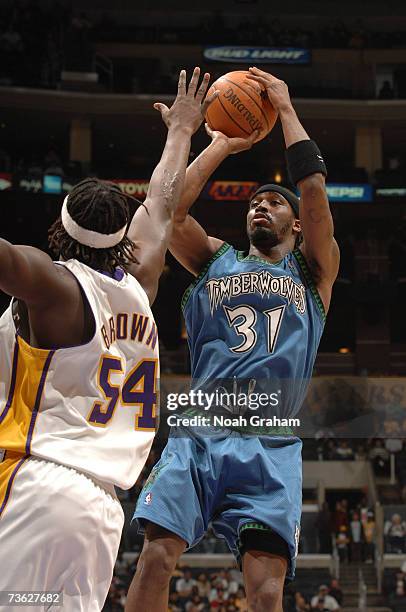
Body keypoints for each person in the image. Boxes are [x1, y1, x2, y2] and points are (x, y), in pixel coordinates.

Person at [0, 67, 214, 611]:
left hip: (38, 485)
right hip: (100, 513)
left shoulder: (54, 285)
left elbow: (9, 262)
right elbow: (160, 205)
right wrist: (181, 132)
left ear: (60, 226)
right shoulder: (139, 284)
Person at [126, 68, 339, 612]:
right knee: (154, 558)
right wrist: (219, 143)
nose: (259, 207)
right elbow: (167, 212)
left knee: (266, 594)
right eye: (253, 204)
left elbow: (314, 193)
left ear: (295, 226)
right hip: (202, 431)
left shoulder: (313, 273)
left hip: (272, 443)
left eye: (274, 203)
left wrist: (286, 110)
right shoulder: (213, 260)